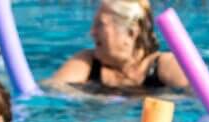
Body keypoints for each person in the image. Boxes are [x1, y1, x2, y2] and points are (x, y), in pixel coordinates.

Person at [49, 0, 188, 90]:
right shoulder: (87, 62)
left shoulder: (164, 65)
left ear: (131, 33)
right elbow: (50, 90)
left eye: (100, 25)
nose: (92, 32)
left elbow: (200, 95)